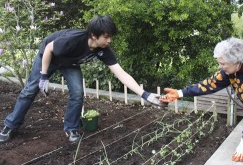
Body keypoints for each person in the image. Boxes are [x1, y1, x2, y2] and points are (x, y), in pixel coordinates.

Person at [0, 15, 164, 143]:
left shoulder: (103, 49)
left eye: (110, 37)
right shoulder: (73, 40)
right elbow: (49, 48)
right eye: (106, 37)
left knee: (78, 92)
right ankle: (10, 125)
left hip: (70, 62)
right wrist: (43, 76)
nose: (109, 40)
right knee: (30, 90)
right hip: (49, 57)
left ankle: (71, 128)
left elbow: (121, 73)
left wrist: (145, 95)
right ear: (93, 35)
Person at [159, 37, 243, 165]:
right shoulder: (231, 70)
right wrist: (180, 93)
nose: (220, 67)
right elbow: (209, 84)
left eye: (222, 63)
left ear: (236, 60)